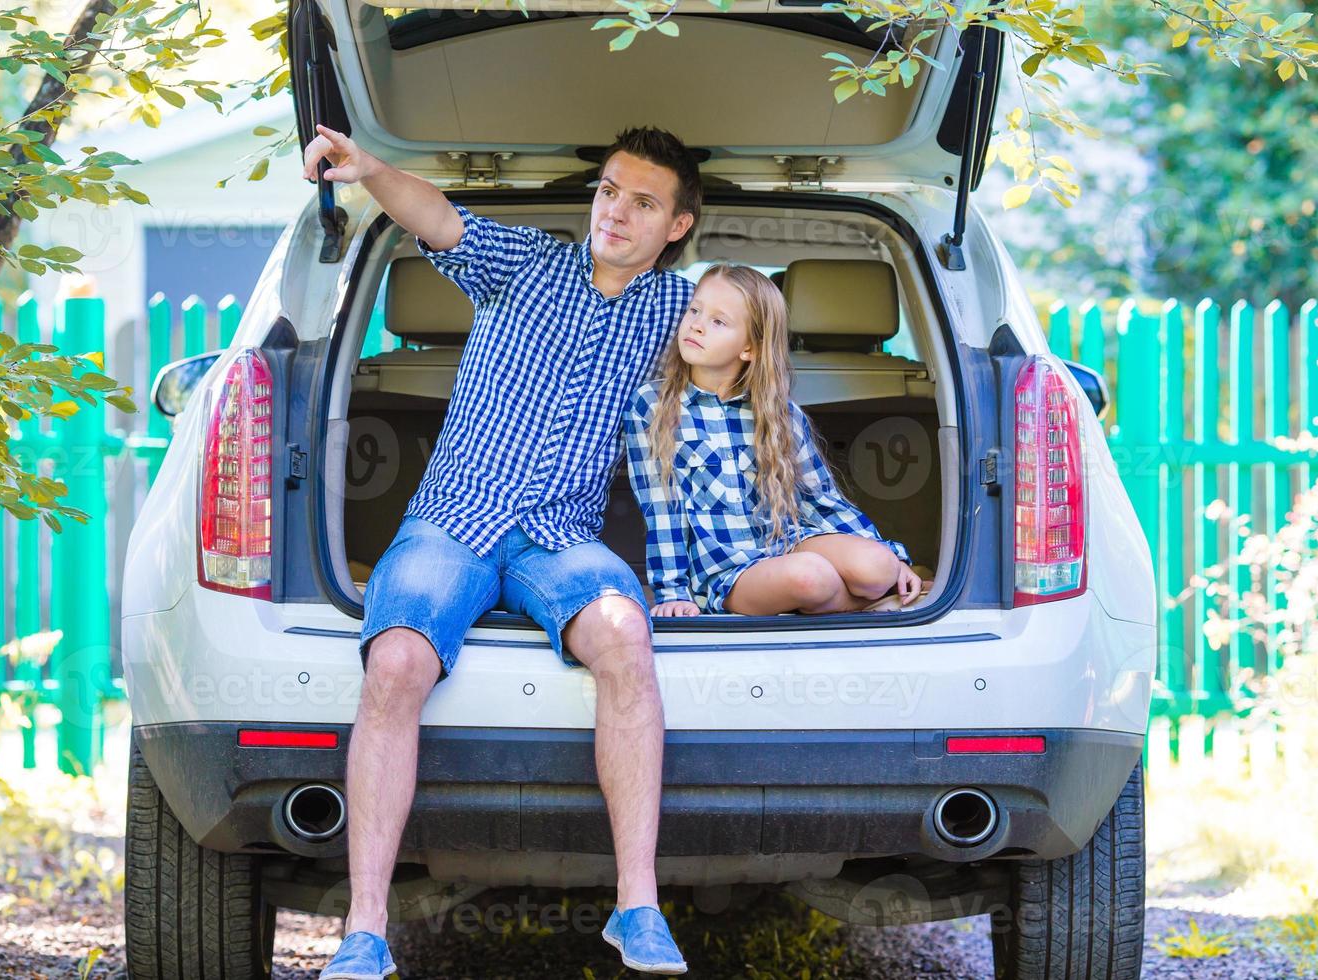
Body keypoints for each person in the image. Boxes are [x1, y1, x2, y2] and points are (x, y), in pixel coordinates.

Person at [301, 123, 698, 977]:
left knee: (625, 635)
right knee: (398, 660)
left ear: (676, 227)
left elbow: (751, 370)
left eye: (642, 204)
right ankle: (363, 929)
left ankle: (637, 909)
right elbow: (438, 218)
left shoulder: (680, 311)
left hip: (561, 541)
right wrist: (369, 168)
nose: (615, 214)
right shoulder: (527, 262)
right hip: (453, 521)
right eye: (607, 192)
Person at [623, 263, 928, 618]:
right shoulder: (654, 405)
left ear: (749, 348)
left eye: (719, 322)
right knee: (813, 577)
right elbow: (662, 509)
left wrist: (895, 560)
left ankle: (864, 591)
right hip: (727, 573)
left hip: (789, 543)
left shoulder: (780, 412)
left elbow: (822, 500)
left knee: (877, 566)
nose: (697, 325)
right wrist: (672, 591)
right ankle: (864, 604)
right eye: (695, 310)